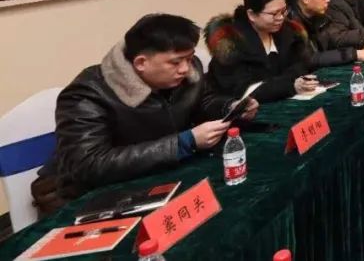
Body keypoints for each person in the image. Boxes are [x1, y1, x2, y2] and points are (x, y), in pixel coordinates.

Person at [32, 14, 258, 213]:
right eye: (176, 62)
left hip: (156, 177)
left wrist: (229, 107)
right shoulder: (86, 94)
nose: (186, 69)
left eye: (189, 58)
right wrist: (184, 142)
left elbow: (202, 101)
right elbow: (90, 164)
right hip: (87, 197)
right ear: (141, 63)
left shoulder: (187, 71)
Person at [205, 0, 318, 103]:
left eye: (283, 11)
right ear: (252, 15)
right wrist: (289, 85)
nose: (281, 18)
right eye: (274, 14)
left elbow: (300, 65)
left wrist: (297, 81)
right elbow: (244, 90)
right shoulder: (232, 44)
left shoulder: (289, 31)